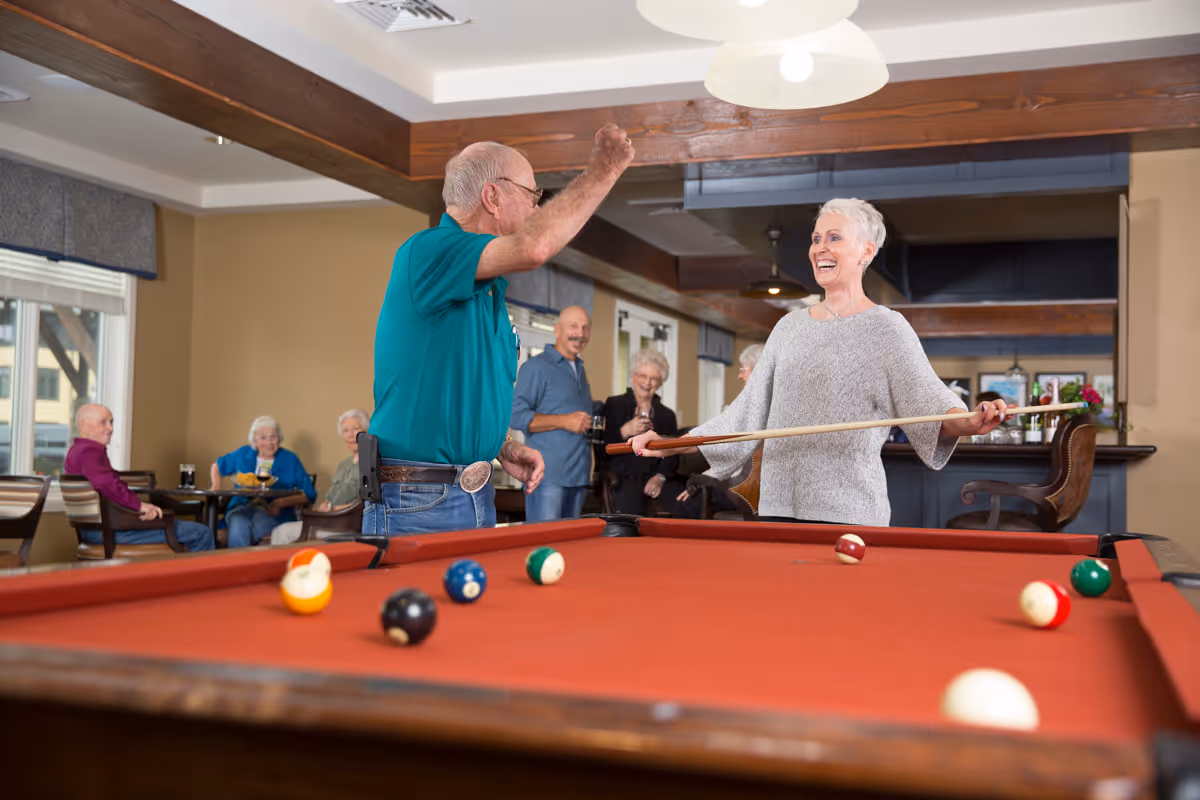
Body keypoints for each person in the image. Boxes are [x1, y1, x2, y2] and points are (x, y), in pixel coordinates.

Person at [631, 198, 1008, 526]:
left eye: (834, 238)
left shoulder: (887, 328)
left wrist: (970, 421)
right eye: (815, 239)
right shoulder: (787, 327)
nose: (819, 248)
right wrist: (668, 444)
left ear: (866, 251)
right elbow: (743, 416)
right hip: (779, 505)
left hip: (850, 513)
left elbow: (928, 402)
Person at [366, 123, 635, 536]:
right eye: (532, 196)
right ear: (492, 196)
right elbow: (535, 246)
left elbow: (461, 390)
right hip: (419, 500)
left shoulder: (486, 289)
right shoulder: (429, 251)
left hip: (473, 493)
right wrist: (603, 171)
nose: (534, 210)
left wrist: (501, 448)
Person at [65, 404, 214, 552]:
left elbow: (109, 487)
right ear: (83, 425)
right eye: (103, 422)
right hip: (109, 531)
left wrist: (139, 507)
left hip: (94, 530)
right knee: (201, 533)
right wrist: (140, 507)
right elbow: (107, 485)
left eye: (111, 422)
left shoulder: (76, 452)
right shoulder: (90, 452)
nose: (110, 428)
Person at [510, 306, 595, 521]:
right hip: (547, 477)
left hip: (579, 477)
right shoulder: (535, 367)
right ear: (557, 330)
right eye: (573, 326)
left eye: (585, 328)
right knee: (544, 546)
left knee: (570, 549)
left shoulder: (580, 369)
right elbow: (516, 415)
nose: (580, 333)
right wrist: (565, 421)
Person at [210, 416, 316, 547]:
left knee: (254, 528)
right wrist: (217, 488)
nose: (269, 443)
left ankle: (246, 563)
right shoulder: (244, 454)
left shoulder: (290, 459)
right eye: (263, 438)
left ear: (279, 438)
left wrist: (280, 503)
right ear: (255, 440)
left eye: (273, 437)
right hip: (241, 506)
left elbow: (309, 493)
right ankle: (239, 564)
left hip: (275, 511)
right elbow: (217, 466)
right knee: (237, 523)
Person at [270, 409, 369, 545]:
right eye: (346, 431)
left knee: (283, 532)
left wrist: (334, 509)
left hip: (346, 526)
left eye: (356, 429)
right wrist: (325, 505)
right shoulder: (343, 465)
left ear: (367, 431)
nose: (351, 435)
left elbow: (367, 505)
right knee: (281, 530)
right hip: (328, 520)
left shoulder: (371, 463)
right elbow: (329, 498)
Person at [602, 349, 684, 515]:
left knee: (684, 500)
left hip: (656, 476)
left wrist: (660, 478)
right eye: (643, 376)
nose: (648, 382)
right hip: (625, 478)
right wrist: (624, 431)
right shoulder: (614, 405)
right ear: (633, 377)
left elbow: (672, 454)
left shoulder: (667, 415)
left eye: (654, 378)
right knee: (631, 507)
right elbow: (602, 449)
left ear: (660, 383)